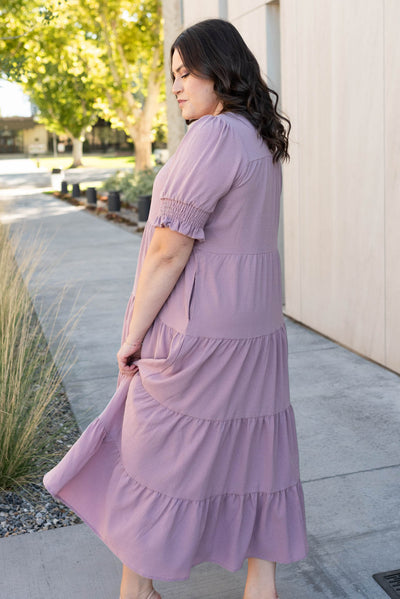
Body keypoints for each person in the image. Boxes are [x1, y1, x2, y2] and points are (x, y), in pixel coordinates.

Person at [44, 18, 308, 599]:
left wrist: (132, 336)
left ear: (222, 71)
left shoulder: (214, 137)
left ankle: (136, 591)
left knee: (152, 454)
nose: (177, 86)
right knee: (254, 450)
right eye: (173, 77)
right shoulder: (260, 140)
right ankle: (260, 588)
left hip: (201, 329)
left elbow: (167, 249)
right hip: (257, 329)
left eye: (187, 73)